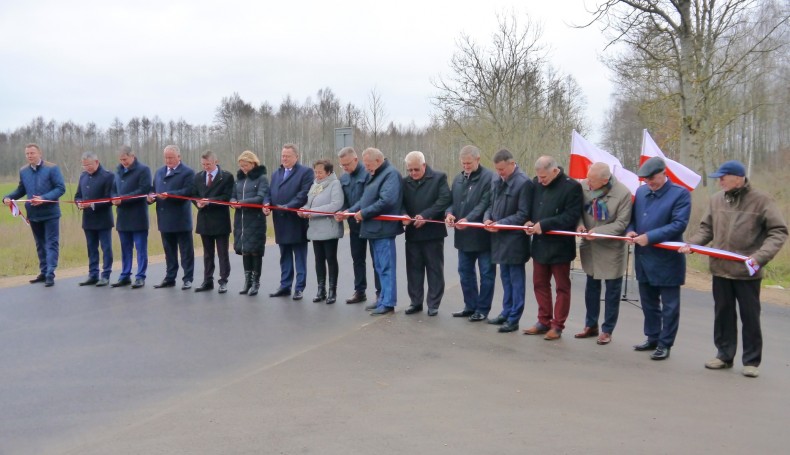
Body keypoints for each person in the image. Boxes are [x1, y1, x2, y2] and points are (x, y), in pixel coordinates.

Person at [680, 160, 787, 378]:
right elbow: (706, 229)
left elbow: (778, 232)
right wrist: (693, 244)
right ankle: (724, 355)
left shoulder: (762, 200)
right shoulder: (716, 199)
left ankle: (751, 361)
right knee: (723, 315)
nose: (719, 181)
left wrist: (759, 257)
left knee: (750, 317)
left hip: (747, 272)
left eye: (723, 177)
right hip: (720, 269)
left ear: (738, 178)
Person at [626, 156, 691, 361]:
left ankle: (665, 343)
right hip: (643, 257)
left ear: (664, 173)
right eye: (645, 179)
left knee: (670, 305)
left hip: (667, 260)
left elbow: (678, 224)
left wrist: (650, 237)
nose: (649, 182)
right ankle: (652, 337)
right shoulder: (641, 192)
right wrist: (631, 232)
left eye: (652, 178)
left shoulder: (680, 194)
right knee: (648, 301)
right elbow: (633, 220)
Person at [522, 156, 584, 341]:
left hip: (560, 246)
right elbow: (532, 208)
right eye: (539, 177)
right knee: (540, 284)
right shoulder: (536, 184)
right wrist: (529, 221)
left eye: (544, 177)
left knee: (562, 288)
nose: (541, 181)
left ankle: (557, 325)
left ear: (555, 171)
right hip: (540, 244)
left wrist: (545, 224)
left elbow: (571, 216)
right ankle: (543, 320)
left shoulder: (572, 187)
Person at [574, 162, 632, 345]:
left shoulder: (623, 193)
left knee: (612, 291)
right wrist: (579, 225)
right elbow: (576, 210)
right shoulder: (583, 186)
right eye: (587, 178)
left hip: (611, 247)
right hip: (590, 246)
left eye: (592, 181)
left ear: (605, 180)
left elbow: (622, 224)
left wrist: (600, 232)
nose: (588, 184)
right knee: (591, 287)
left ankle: (607, 330)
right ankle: (591, 325)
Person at [340, 147, 403, 316]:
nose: (366, 168)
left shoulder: (390, 174)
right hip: (372, 229)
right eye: (365, 165)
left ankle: (388, 302)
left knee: (386, 267)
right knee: (380, 267)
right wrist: (351, 211)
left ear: (378, 160)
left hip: (383, 229)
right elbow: (364, 200)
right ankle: (382, 299)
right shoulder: (374, 174)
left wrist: (364, 213)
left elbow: (387, 201)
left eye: (368, 165)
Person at [3, 143, 66, 287]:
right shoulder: (23, 171)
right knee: (40, 244)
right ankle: (43, 272)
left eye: (32, 153)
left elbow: (60, 188)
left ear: (40, 153)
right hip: (33, 214)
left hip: (50, 213)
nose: (29, 156)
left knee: (51, 243)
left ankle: (50, 273)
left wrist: (43, 198)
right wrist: (8, 197)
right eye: (27, 154)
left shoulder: (52, 168)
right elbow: (21, 190)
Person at [483, 149, 532, 333]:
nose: (499, 173)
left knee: (516, 280)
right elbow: (490, 204)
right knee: (505, 278)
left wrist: (501, 223)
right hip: (498, 238)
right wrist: (487, 218)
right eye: (497, 169)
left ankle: (514, 318)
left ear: (512, 164)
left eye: (502, 169)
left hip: (515, 239)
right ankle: (505, 311)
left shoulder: (523, 183)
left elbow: (523, 214)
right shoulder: (496, 180)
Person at [445, 145, 495, 321]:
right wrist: (449, 214)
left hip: (483, 236)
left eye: (469, 163)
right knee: (465, 272)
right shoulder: (458, 179)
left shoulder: (489, 178)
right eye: (463, 163)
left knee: (486, 274)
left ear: (478, 159)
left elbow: (484, 203)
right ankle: (470, 305)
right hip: (463, 236)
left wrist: (468, 219)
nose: (466, 166)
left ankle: (482, 309)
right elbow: (451, 201)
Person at [401, 151, 452, 316]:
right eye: (410, 170)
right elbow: (399, 202)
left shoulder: (438, 178)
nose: (413, 173)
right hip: (413, 233)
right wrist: (403, 215)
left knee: (434, 269)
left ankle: (433, 303)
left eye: (416, 169)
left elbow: (444, 200)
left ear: (424, 165)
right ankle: (415, 302)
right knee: (413, 269)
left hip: (432, 233)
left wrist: (426, 215)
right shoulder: (404, 182)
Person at [266, 144, 314, 300]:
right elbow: (269, 192)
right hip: (280, 221)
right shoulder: (276, 173)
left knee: (299, 256)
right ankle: (285, 286)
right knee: (284, 255)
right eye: (283, 156)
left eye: (287, 156)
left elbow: (304, 194)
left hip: (296, 221)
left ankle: (299, 287)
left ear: (296, 157)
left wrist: (288, 206)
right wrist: (267, 204)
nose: (284, 159)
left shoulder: (305, 172)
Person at [148, 145, 196, 290]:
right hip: (164, 218)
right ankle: (170, 277)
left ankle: (187, 278)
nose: (168, 160)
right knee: (169, 251)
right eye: (166, 157)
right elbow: (153, 189)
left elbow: (188, 191)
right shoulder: (159, 172)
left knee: (186, 251)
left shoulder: (187, 172)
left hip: (180, 218)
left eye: (171, 157)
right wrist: (150, 197)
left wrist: (170, 194)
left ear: (179, 157)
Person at [338, 147, 381, 304]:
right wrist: (342, 211)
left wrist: (350, 210)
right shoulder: (343, 178)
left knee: (376, 260)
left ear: (356, 160)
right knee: (357, 258)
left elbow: (367, 199)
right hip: (354, 225)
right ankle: (360, 291)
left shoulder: (369, 175)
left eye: (347, 164)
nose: (345, 168)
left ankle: (380, 292)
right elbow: (343, 200)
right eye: (342, 165)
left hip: (369, 223)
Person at [300, 160, 344, 304]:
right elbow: (309, 202)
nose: (317, 175)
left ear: (328, 172)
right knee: (319, 259)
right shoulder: (315, 185)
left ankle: (332, 290)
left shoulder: (335, 184)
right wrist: (303, 210)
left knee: (330, 259)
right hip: (315, 228)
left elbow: (336, 204)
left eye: (320, 172)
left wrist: (313, 212)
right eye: (316, 172)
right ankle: (321, 289)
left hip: (329, 227)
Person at [193, 150, 235, 294]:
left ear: (215, 162)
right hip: (204, 220)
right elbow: (194, 195)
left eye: (208, 164)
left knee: (222, 253)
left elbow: (226, 196)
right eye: (203, 164)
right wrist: (197, 203)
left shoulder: (227, 177)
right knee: (207, 253)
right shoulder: (198, 177)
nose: (206, 167)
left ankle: (223, 280)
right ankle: (207, 280)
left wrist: (210, 201)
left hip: (220, 220)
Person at [111, 145, 151, 288]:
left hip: (138, 215)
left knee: (140, 248)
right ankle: (125, 275)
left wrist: (124, 199)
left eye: (125, 159)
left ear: (132, 156)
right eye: (121, 160)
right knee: (125, 248)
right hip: (122, 216)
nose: (123, 162)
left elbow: (143, 190)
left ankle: (140, 276)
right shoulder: (118, 171)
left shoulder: (143, 170)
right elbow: (113, 190)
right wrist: (114, 198)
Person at [231, 151, 270, 296]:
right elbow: (233, 195)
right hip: (241, 220)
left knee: (255, 251)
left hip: (256, 220)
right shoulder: (239, 180)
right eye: (241, 166)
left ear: (253, 164)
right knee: (245, 250)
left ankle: (255, 282)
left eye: (246, 165)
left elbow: (260, 197)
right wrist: (233, 201)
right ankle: (247, 281)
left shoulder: (261, 178)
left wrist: (242, 203)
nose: (243, 168)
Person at [74, 151, 115, 287]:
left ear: (96, 162)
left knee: (106, 248)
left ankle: (106, 275)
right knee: (91, 248)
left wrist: (92, 204)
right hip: (88, 219)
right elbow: (78, 195)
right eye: (84, 165)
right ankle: (93, 274)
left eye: (89, 165)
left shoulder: (108, 176)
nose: (87, 168)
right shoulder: (83, 176)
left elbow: (110, 199)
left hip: (103, 219)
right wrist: (79, 202)